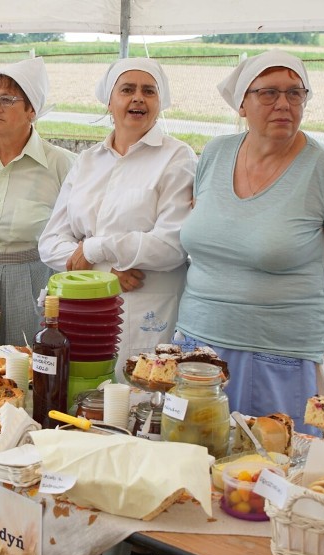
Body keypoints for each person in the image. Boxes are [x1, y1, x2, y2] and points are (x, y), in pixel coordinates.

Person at [172, 50, 324, 434]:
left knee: (275, 474)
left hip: (283, 360)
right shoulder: (216, 154)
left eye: (295, 93)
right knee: (197, 462)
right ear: (241, 104)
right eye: (268, 93)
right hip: (198, 349)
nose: (284, 104)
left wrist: (297, 319)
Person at [38, 57, 196, 371]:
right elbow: (51, 242)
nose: (138, 97)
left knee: (140, 397)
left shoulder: (176, 157)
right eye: (127, 89)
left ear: (159, 102)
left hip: (146, 306)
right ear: (110, 101)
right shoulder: (88, 160)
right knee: (84, 395)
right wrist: (102, 276)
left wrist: (95, 248)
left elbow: (171, 247)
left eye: (149, 91)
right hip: (85, 307)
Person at [0, 57, 76, 346]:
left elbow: (79, 230)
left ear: (31, 109)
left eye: (6, 99)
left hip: (34, 277)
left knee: (27, 361)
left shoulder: (62, 164)